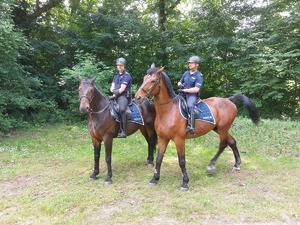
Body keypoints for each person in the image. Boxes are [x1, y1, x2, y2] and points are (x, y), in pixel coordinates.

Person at [177, 56, 203, 134]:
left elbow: (196, 89)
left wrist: (185, 90)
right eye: (189, 63)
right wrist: (180, 84)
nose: (190, 65)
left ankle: (192, 126)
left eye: (192, 63)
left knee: (190, 106)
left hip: (192, 95)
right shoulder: (186, 73)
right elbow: (179, 82)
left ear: (197, 64)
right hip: (182, 93)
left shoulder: (199, 76)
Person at [110, 57, 132, 138]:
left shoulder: (127, 76)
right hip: (116, 95)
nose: (119, 67)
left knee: (122, 109)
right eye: (118, 65)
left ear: (124, 66)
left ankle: (123, 131)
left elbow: (122, 89)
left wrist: (115, 92)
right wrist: (114, 92)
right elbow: (111, 88)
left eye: (121, 65)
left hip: (124, 96)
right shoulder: (116, 76)